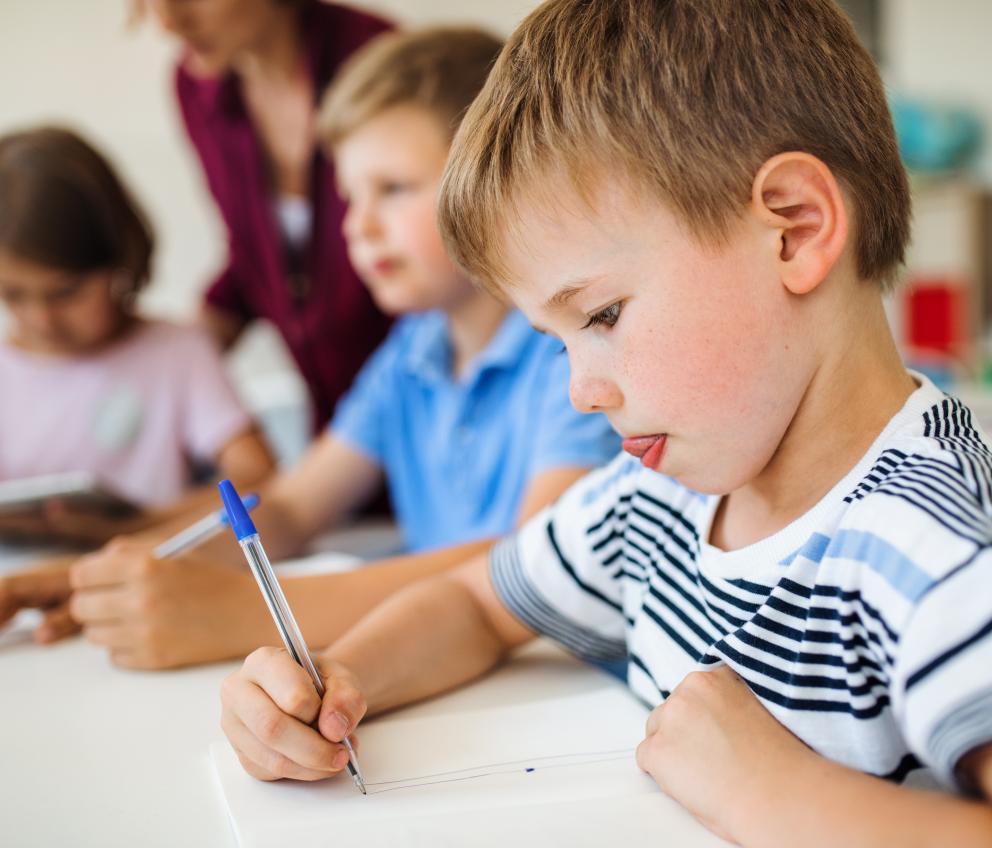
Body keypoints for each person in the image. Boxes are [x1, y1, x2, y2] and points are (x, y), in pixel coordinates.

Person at [217, 2, 992, 845]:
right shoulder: (654, 497)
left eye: (603, 316)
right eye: (557, 343)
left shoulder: (942, 544)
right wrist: (334, 682)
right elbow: (476, 604)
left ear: (794, 230)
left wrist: (767, 790)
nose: (580, 393)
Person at [48, 27, 620, 671]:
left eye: (392, 188)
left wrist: (240, 611)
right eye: (349, 197)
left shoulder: (569, 351)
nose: (357, 226)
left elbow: (528, 566)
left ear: (492, 183)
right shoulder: (409, 353)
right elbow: (291, 509)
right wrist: (96, 578)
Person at [0, 126, 273, 637]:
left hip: (147, 588)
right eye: (12, 295)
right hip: (18, 608)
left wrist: (136, 524)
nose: (41, 319)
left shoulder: (177, 352)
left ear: (119, 260)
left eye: (64, 292)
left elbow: (258, 478)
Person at [150, 0, 393, 430]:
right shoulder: (196, 88)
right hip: (331, 419)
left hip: (418, 402)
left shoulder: (379, 62)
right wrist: (165, 361)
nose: (168, 21)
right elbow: (254, 258)